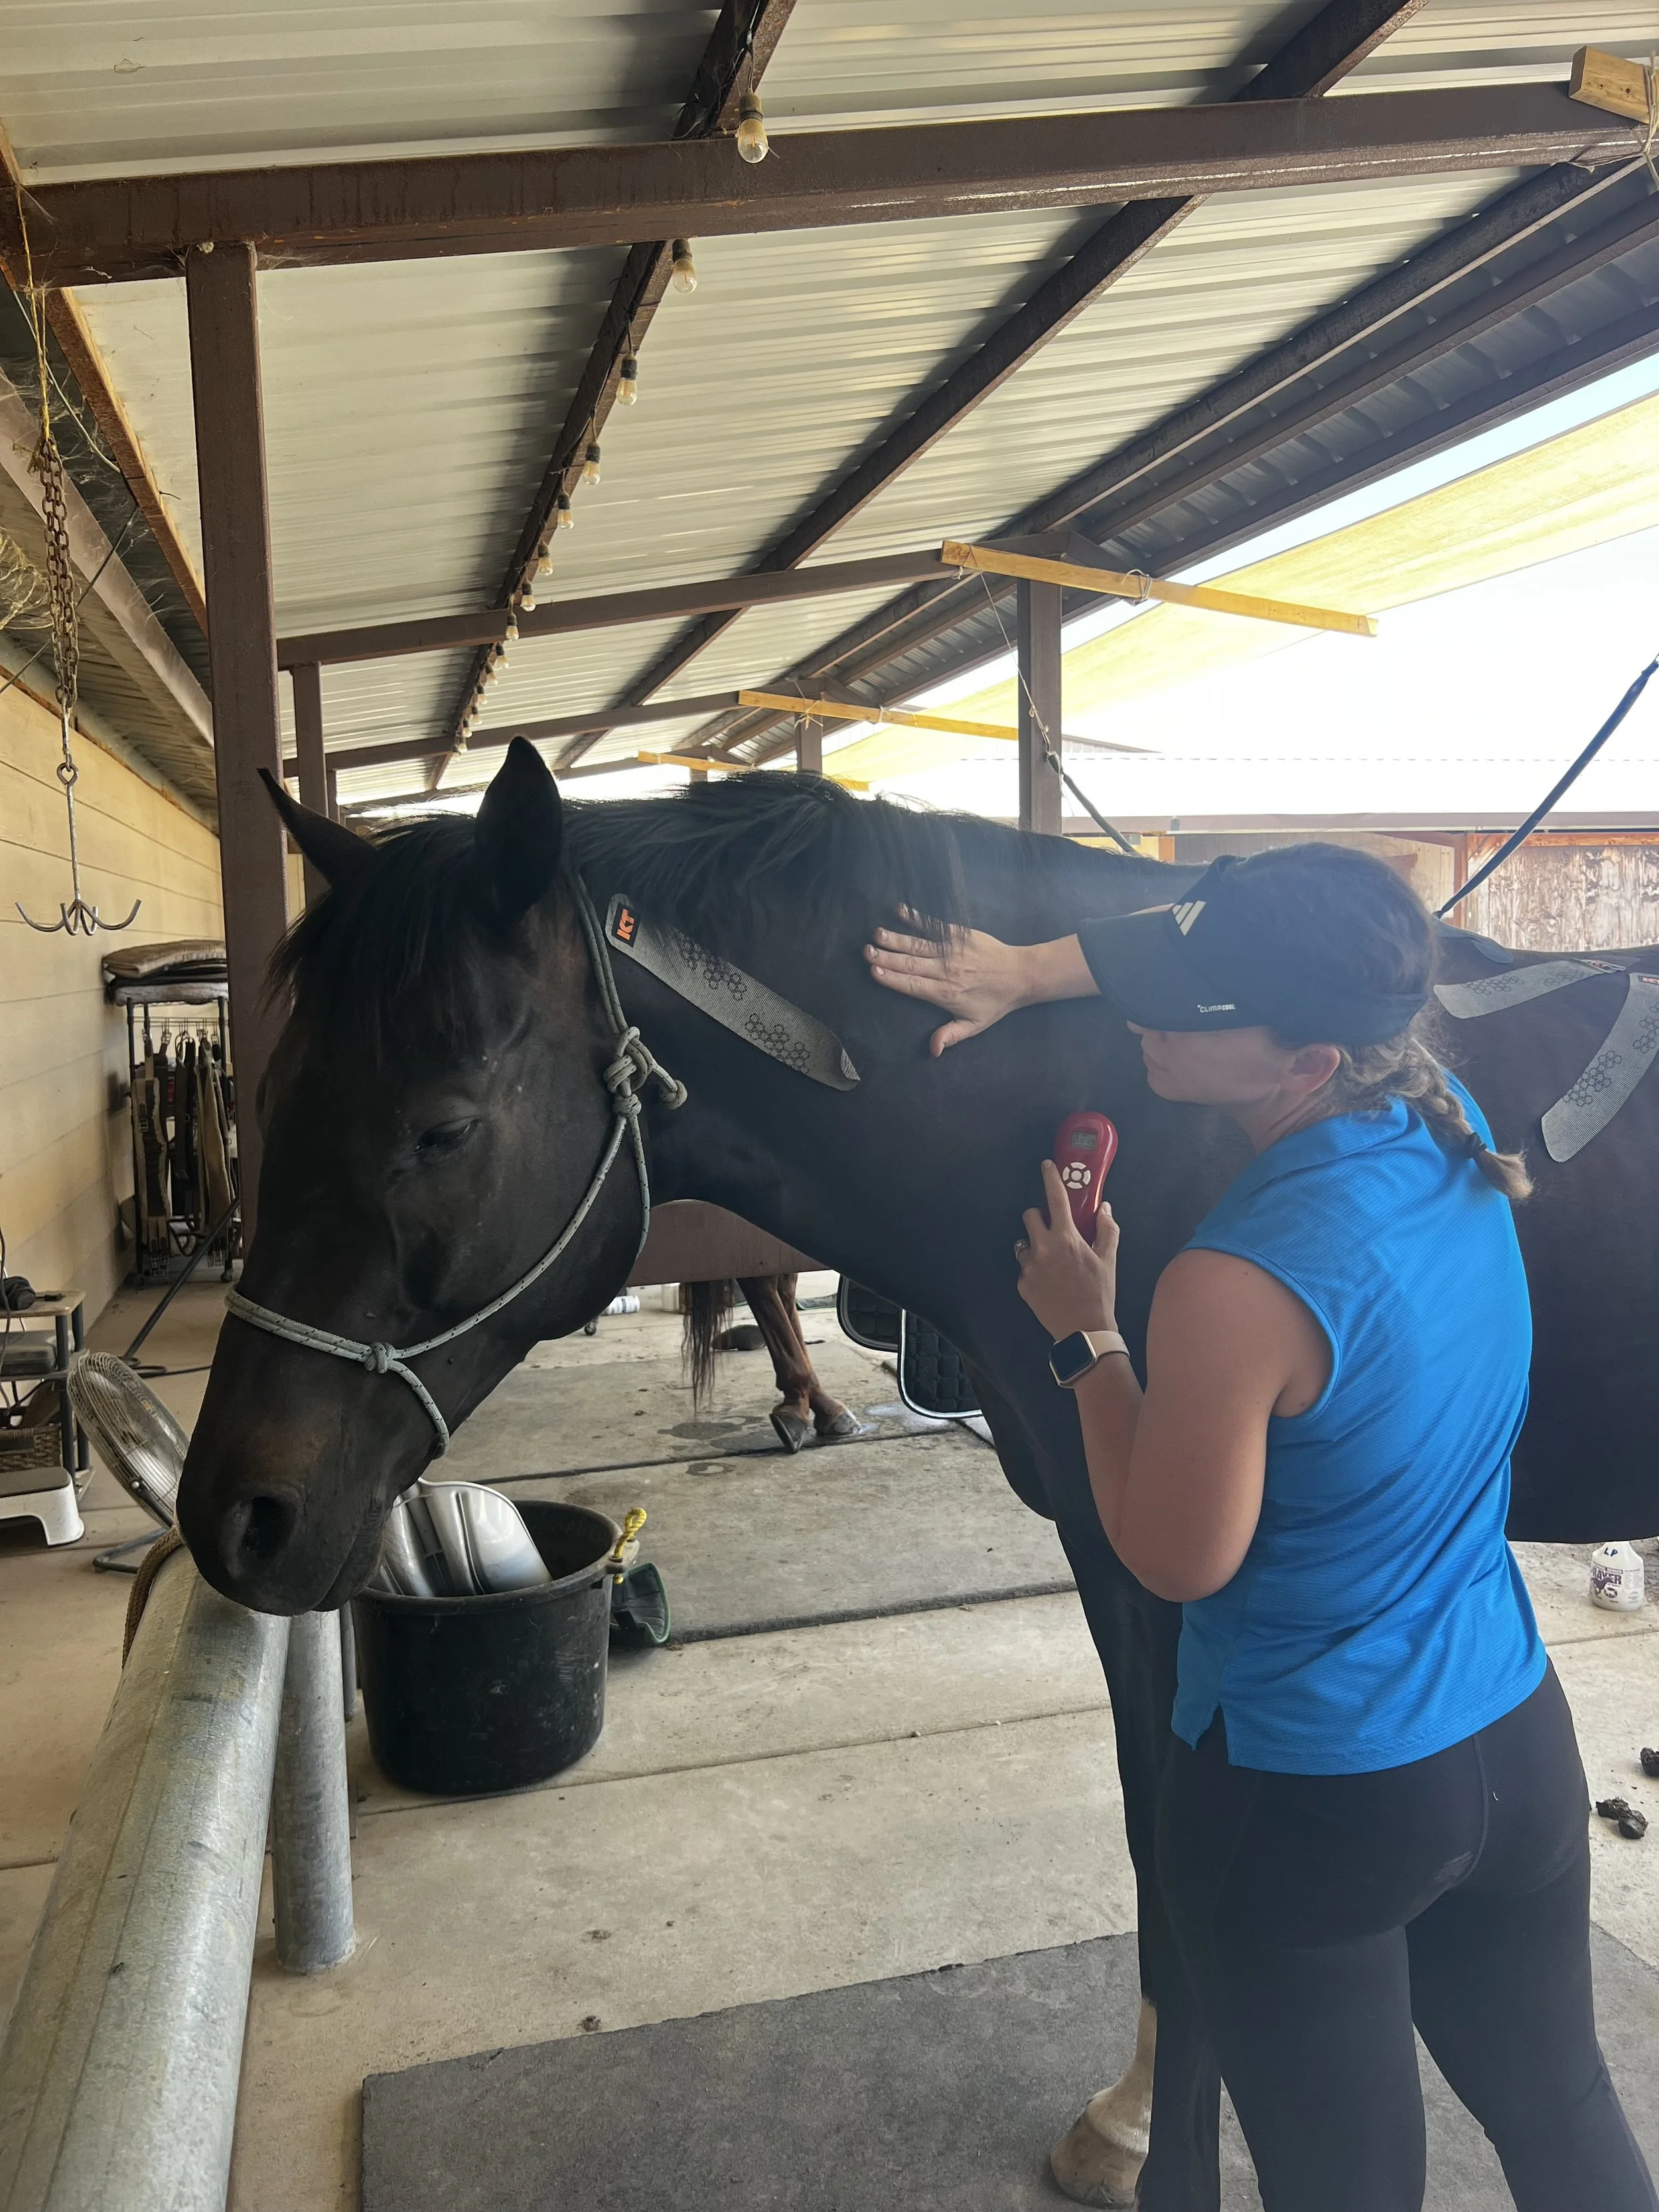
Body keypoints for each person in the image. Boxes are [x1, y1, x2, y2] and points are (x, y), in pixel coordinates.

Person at [864, 843, 1656, 2212]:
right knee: (1562, 2110)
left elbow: (1174, 1557)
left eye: (1190, 1002)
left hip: (1310, 1792)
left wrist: (1086, 1335)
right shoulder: (1444, 1116)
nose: (1143, 1017)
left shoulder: (1230, 1281)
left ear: (1298, 1057)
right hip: (1509, 1739)